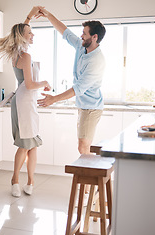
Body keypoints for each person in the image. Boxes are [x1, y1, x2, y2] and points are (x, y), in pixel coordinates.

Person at [0, 6, 51, 197]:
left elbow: (21, 28)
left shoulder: (18, 53)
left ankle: (31, 182)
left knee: (32, 144)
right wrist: (46, 82)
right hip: (24, 103)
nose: (32, 34)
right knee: (25, 145)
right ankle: (15, 180)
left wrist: (29, 16)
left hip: (27, 103)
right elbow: (31, 84)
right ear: (22, 36)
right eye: (29, 32)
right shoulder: (25, 56)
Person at [37, 7, 106, 155]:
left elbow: (78, 88)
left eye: (84, 33)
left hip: (91, 108)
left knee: (83, 147)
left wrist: (54, 99)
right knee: (83, 146)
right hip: (83, 106)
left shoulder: (96, 61)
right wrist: (49, 15)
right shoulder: (82, 47)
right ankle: (89, 175)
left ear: (94, 37)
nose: (81, 36)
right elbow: (65, 32)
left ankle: (92, 176)